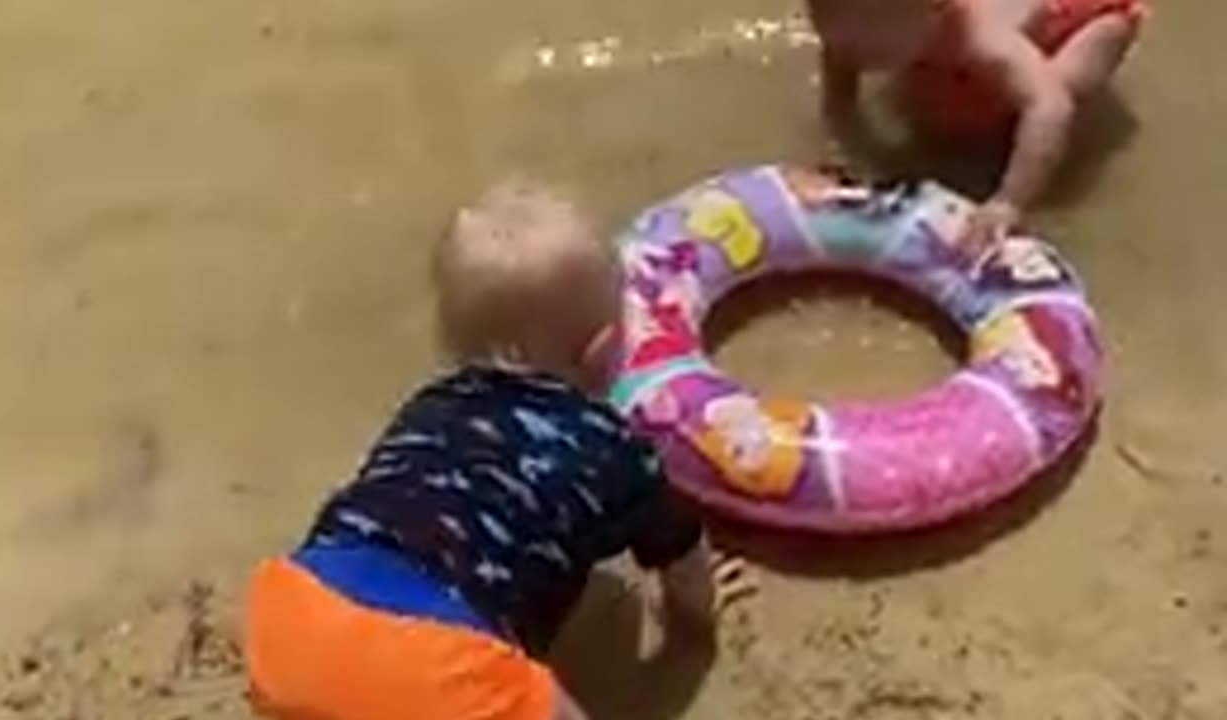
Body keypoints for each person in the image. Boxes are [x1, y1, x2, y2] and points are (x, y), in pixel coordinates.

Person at [244, 180, 726, 720]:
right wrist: (695, 627)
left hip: (293, 619)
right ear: (603, 351)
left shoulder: (430, 405)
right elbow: (681, 558)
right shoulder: (614, 448)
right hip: (432, 664)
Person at [809, 0, 1145, 246]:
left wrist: (1009, 202)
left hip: (1085, 16)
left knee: (1057, 84)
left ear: (936, 12)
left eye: (871, 49)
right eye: (834, 38)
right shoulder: (852, 29)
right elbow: (840, 94)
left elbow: (1050, 106)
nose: (852, 56)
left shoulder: (978, 38)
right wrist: (844, 144)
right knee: (935, 103)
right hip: (947, 36)